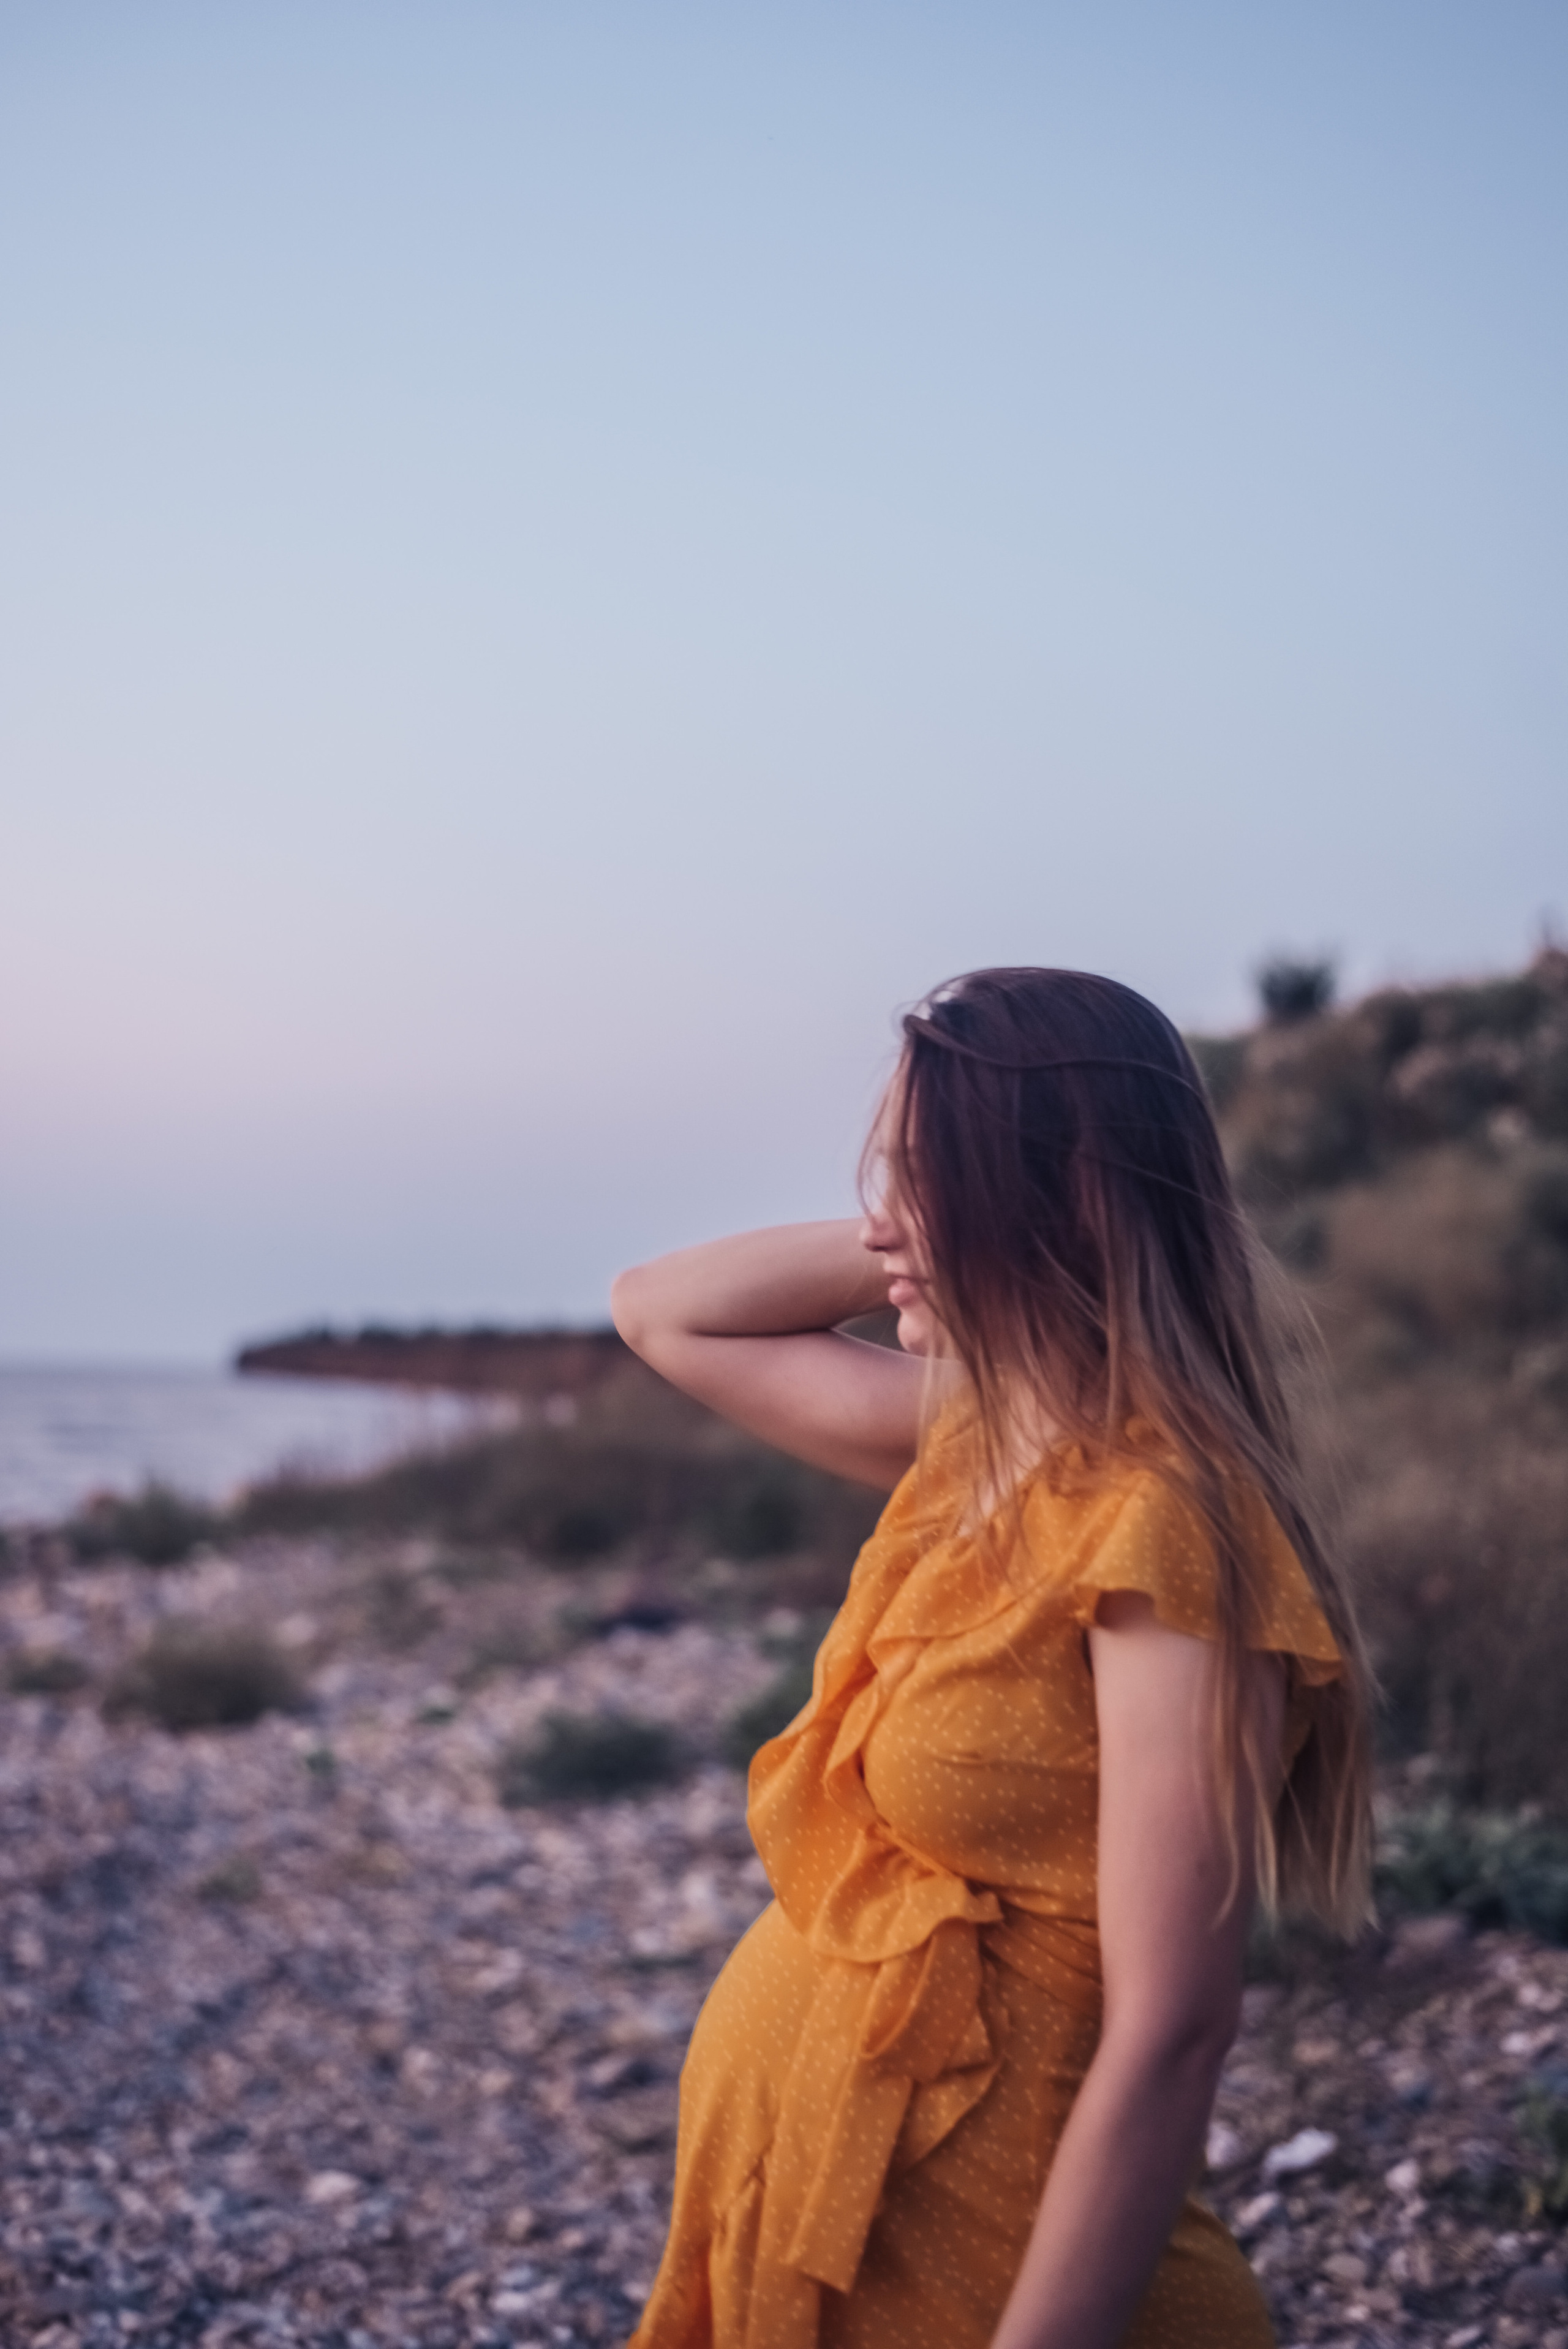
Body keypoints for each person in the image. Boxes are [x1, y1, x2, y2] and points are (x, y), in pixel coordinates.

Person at [610, 967, 1372, 2349]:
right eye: (882, 1176)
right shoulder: (984, 1448)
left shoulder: (1164, 1531)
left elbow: (1172, 2029)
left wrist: (998, 1223)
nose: (877, 1218)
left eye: (924, 1172)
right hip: (830, 2245)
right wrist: (937, 1227)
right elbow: (661, 1308)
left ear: (1064, 1193)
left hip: (1009, 2293)